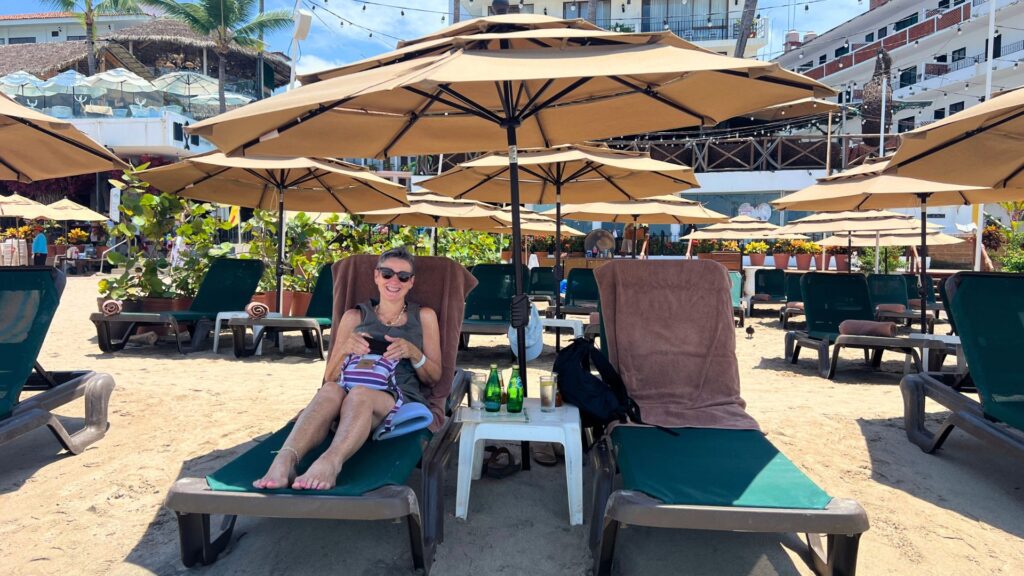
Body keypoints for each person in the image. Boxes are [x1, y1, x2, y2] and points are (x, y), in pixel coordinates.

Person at [254, 247, 442, 491]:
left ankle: (330, 462)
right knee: (331, 390)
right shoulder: (354, 317)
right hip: (344, 396)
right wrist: (344, 349)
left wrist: (414, 353)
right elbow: (330, 377)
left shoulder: (424, 316)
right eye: (387, 274)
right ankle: (285, 459)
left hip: (393, 400)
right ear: (376, 276)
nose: (394, 281)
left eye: (403, 276)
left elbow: (434, 378)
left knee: (360, 393)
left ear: (411, 282)